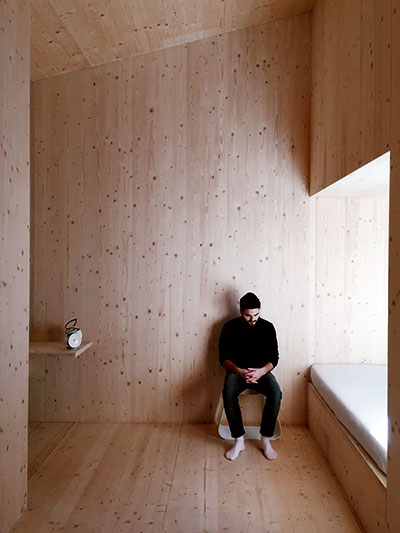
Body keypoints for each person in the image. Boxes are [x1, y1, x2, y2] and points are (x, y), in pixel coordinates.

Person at [218, 292, 282, 461]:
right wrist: (239, 371)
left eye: (256, 315)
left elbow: (274, 358)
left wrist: (261, 371)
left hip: (261, 373)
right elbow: (223, 357)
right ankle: (239, 441)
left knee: (276, 393)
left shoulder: (268, 327)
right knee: (228, 392)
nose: (253, 319)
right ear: (241, 311)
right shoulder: (229, 327)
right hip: (237, 372)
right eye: (248, 315)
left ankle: (265, 440)